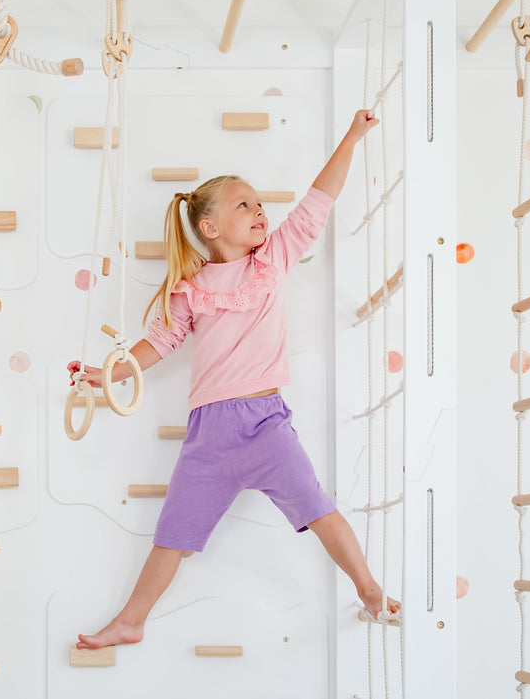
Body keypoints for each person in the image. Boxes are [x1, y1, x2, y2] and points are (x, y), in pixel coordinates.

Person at [71, 110, 398, 650]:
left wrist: (354, 135)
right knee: (171, 537)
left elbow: (319, 198)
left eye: (259, 203)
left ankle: (368, 589)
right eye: (243, 204)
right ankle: (130, 621)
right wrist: (106, 374)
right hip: (209, 438)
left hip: (266, 426)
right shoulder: (190, 288)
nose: (259, 210)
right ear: (211, 228)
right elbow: (159, 343)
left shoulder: (273, 260)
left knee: (320, 510)